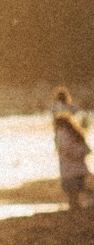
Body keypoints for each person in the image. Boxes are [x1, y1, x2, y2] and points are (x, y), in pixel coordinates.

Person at [55, 88, 90, 216]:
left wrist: (68, 154)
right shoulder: (74, 132)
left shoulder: (63, 133)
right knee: (78, 189)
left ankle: (74, 209)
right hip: (77, 168)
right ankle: (76, 208)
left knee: (73, 191)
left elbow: (66, 148)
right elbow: (85, 149)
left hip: (71, 169)